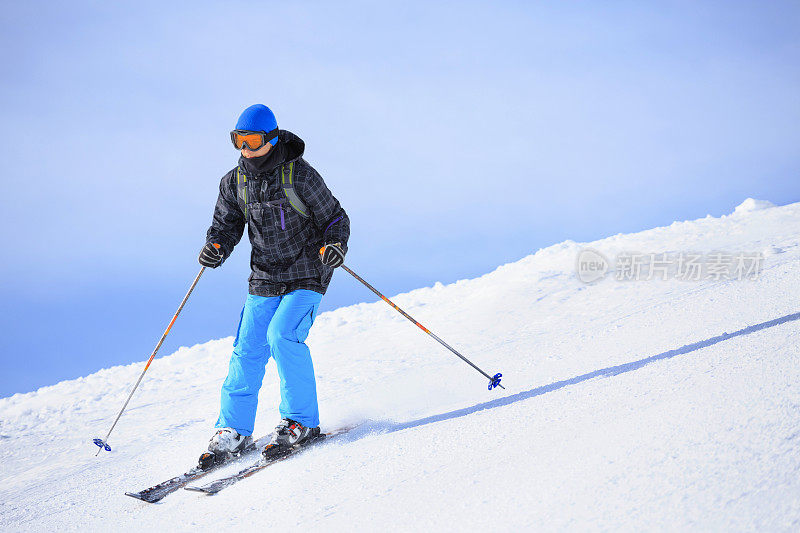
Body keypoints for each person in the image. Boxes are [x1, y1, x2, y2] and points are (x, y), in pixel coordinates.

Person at [199, 104, 349, 459]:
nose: (245, 149)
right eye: (238, 140)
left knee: (282, 336)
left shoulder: (301, 176)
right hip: (265, 276)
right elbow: (226, 225)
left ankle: (300, 422)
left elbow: (334, 217)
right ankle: (233, 430)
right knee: (247, 349)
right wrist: (216, 246)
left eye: (251, 140)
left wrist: (335, 244)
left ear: (271, 138)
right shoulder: (234, 182)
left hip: (307, 272)